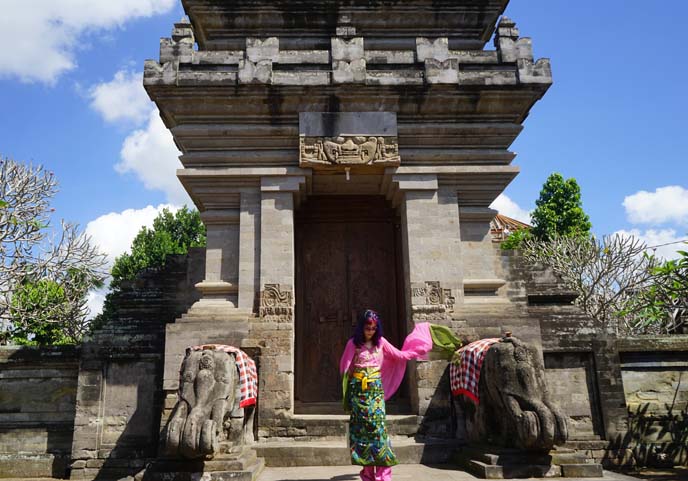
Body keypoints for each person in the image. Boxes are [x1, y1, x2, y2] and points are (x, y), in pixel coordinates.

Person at [339, 309, 434, 481]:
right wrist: (349, 395)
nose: (370, 331)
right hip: (359, 395)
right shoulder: (353, 344)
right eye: (367, 328)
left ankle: (383, 476)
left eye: (374, 328)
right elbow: (345, 370)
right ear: (361, 327)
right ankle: (367, 474)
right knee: (362, 433)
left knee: (378, 431)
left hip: (375, 394)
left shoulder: (381, 343)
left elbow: (399, 355)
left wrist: (418, 349)